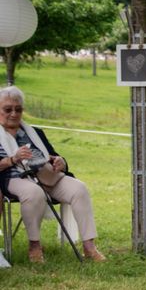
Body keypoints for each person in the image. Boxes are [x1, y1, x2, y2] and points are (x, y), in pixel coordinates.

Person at [0, 86, 105, 263]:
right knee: (33, 192)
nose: (13, 114)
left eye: (18, 109)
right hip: (13, 178)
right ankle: (34, 246)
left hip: (46, 175)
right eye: (7, 109)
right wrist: (12, 159)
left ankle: (89, 247)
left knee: (79, 188)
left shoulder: (35, 133)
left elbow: (53, 155)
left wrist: (60, 162)